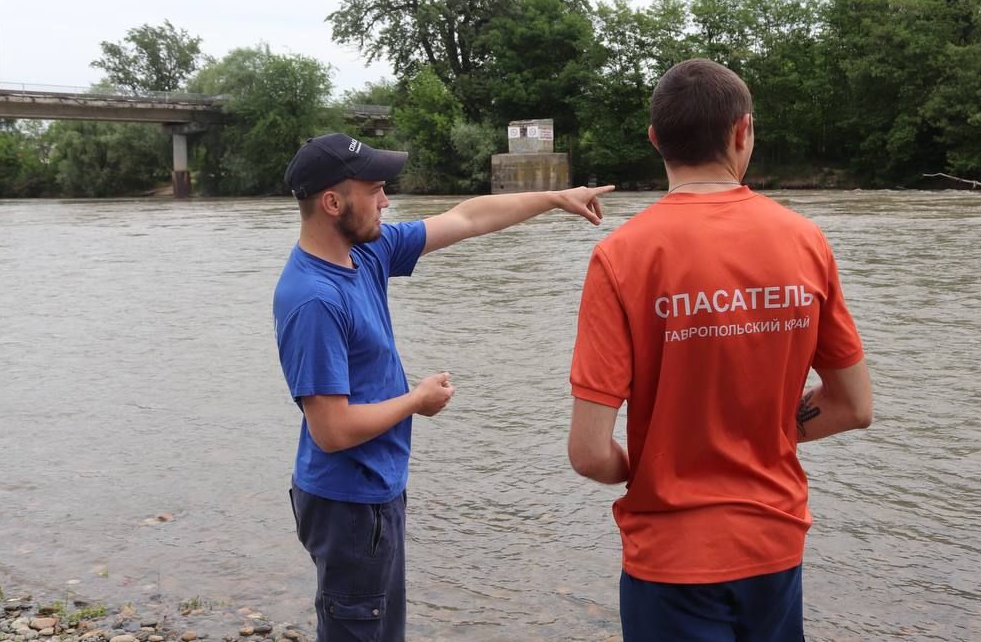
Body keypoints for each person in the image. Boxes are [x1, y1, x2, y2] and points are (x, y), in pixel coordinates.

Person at [567, 59, 873, 642]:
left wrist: (650, 461)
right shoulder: (805, 241)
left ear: (655, 140)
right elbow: (854, 406)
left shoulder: (621, 256)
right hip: (774, 543)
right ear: (743, 132)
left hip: (671, 561)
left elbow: (587, 452)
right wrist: (767, 433)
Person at [274, 132, 613, 642]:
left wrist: (554, 199)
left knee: (378, 627)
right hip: (348, 502)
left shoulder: (365, 254)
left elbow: (467, 219)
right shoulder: (314, 300)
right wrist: (417, 400)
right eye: (376, 190)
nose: (387, 201)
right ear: (332, 202)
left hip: (371, 491)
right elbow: (332, 430)